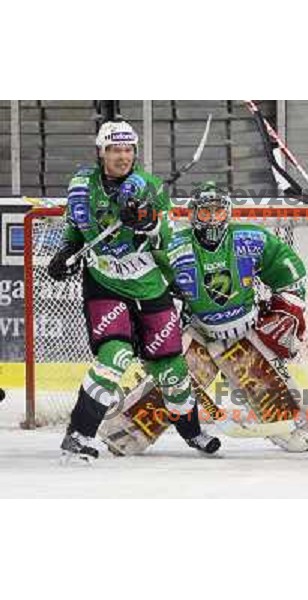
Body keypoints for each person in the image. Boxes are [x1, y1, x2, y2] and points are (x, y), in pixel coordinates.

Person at [99, 183, 308, 455]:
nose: (211, 218)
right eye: (205, 212)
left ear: (228, 213)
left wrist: (287, 308)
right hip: (198, 331)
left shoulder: (250, 238)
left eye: (217, 212)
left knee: (291, 429)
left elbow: (289, 272)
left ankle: (292, 425)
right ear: (193, 214)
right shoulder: (175, 245)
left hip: (243, 333)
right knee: (172, 382)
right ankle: (127, 430)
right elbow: (144, 280)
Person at [48, 120, 219, 462]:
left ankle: (192, 432)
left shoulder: (150, 187)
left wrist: (148, 222)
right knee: (115, 356)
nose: (122, 156)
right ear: (101, 152)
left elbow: (168, 237)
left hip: (150, 285)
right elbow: (74, 230)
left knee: (171, 369)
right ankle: (78, 434)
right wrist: (64, 253)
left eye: (128, 149)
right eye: (114, 149)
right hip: (105, 284)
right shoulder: (82, 186)